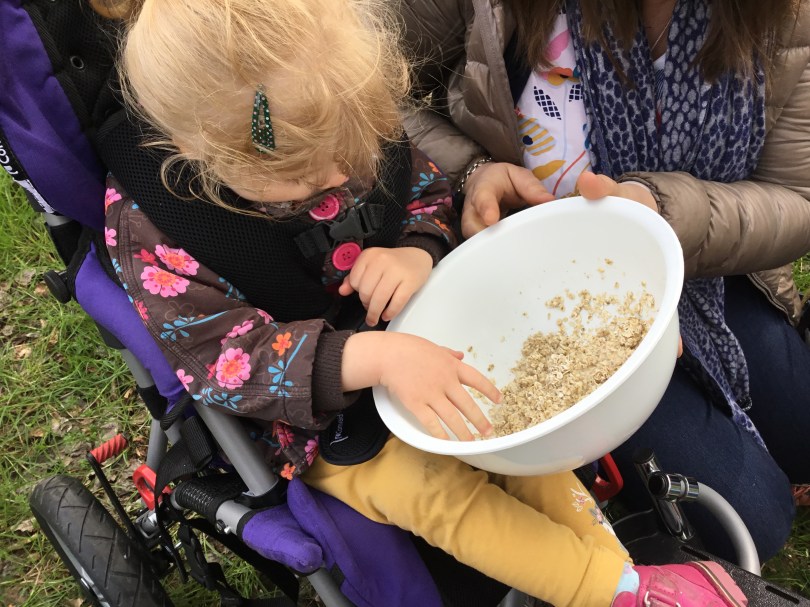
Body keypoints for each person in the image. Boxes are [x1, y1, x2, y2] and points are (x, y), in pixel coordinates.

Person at [93, 0, 750, 604]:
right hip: (318, 420)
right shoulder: (158, 227)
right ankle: (616, 590)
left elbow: (426, 192)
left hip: (428, 336)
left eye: (346, 153)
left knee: (512, 439)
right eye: (300, 174)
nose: (336, 176)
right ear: (199, 149)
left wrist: (416, 247)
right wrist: (374, 357)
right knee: (436, 493)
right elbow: (224, 362)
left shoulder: (342, 106)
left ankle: (622, 571)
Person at [399, 0, 810, 564]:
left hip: (707, 272)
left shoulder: (786, 14)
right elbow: (376, 91)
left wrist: (661, 211)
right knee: (755, 519)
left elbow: (795, 199)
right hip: (539, 293)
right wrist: (469, 169)